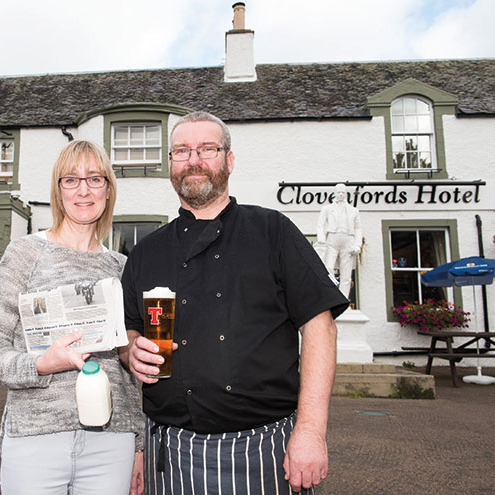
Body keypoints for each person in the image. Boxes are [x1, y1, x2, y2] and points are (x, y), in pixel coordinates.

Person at [120, 111, 349, 494]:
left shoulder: (273, 231)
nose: (193, 160)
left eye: (206, 149)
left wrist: (310, 430)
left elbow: (320, 324)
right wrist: (130, 350)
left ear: (229, 160)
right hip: (170, 451)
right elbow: (129, 331)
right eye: (181, 151)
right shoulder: (146, 252)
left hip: (266, 449)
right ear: (171, 165)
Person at [0, 140, 144, 495]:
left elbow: (129, 372)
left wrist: (139, 444)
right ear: (58, 190)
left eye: (95, 179)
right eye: (71, 180)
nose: (83, 190)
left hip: (111, 445)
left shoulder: (121, 267)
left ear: (108, 189)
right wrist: (41, 365)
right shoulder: (25, 253)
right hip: (36, 438)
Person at [316, 183, 363, 299]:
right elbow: (320, 225)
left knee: (346, 273)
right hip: (332, 239)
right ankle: (332, 297)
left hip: (348, 240)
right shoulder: (327, 209)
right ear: (334, 194)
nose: (341, 194)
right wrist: (321, 239)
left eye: (343, 192)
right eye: (338, 192)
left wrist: (357, 245)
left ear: (346, 194)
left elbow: (358, 228)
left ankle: (343, 299)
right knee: (328, 268)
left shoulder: (354, 210)